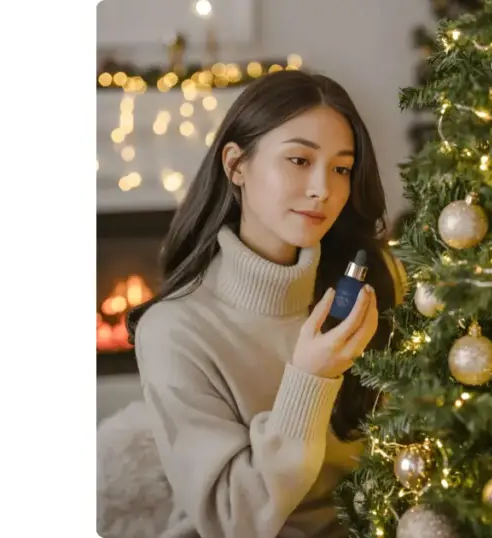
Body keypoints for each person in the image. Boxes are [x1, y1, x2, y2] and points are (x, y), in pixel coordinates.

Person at [125, 70, 404, 538]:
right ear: (236, 165)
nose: (324, 189)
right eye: (299, 160)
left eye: (341, 168)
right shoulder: (174, 330)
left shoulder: (373, 280)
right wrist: (309, 379)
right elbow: (234, 519)